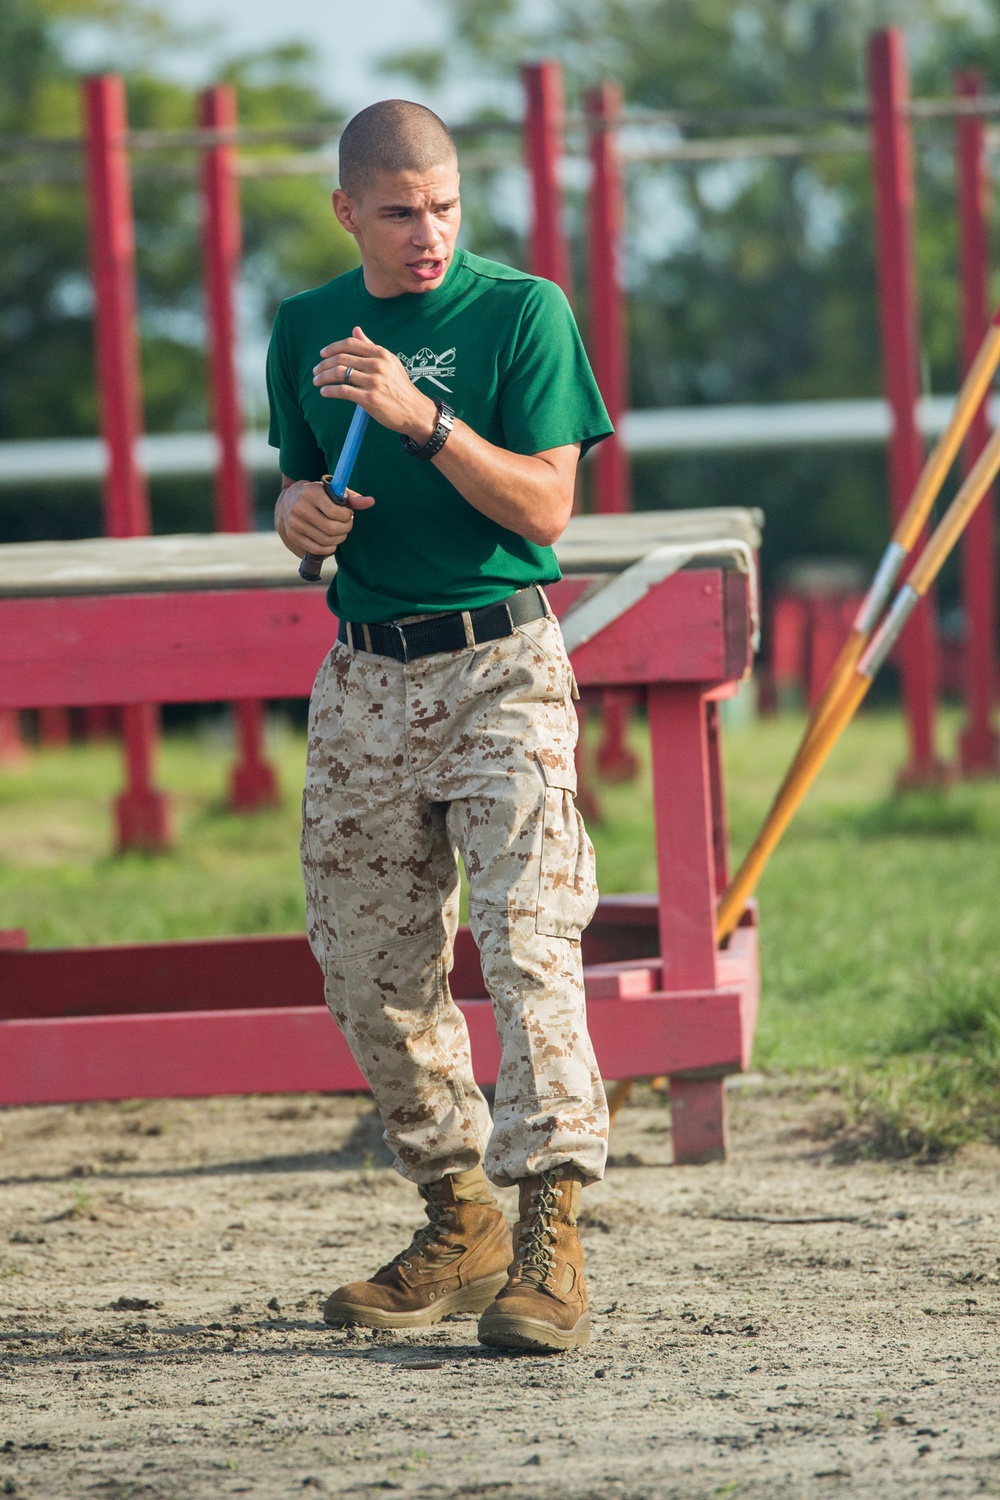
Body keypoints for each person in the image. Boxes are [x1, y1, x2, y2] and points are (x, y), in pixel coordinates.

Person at [268, 98, 613, 1354]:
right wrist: (297, 515)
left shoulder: (520, 311)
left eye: (446, 208)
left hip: (498, 662)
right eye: (401, 211)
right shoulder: (306, 327)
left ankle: (551, 1238)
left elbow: (548, 507)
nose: (428, 235)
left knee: (530, 945)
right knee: (366, 966)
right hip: (364, 676)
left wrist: (428, 420)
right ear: (348, 209)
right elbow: (306, 483)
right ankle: (456, 1213)